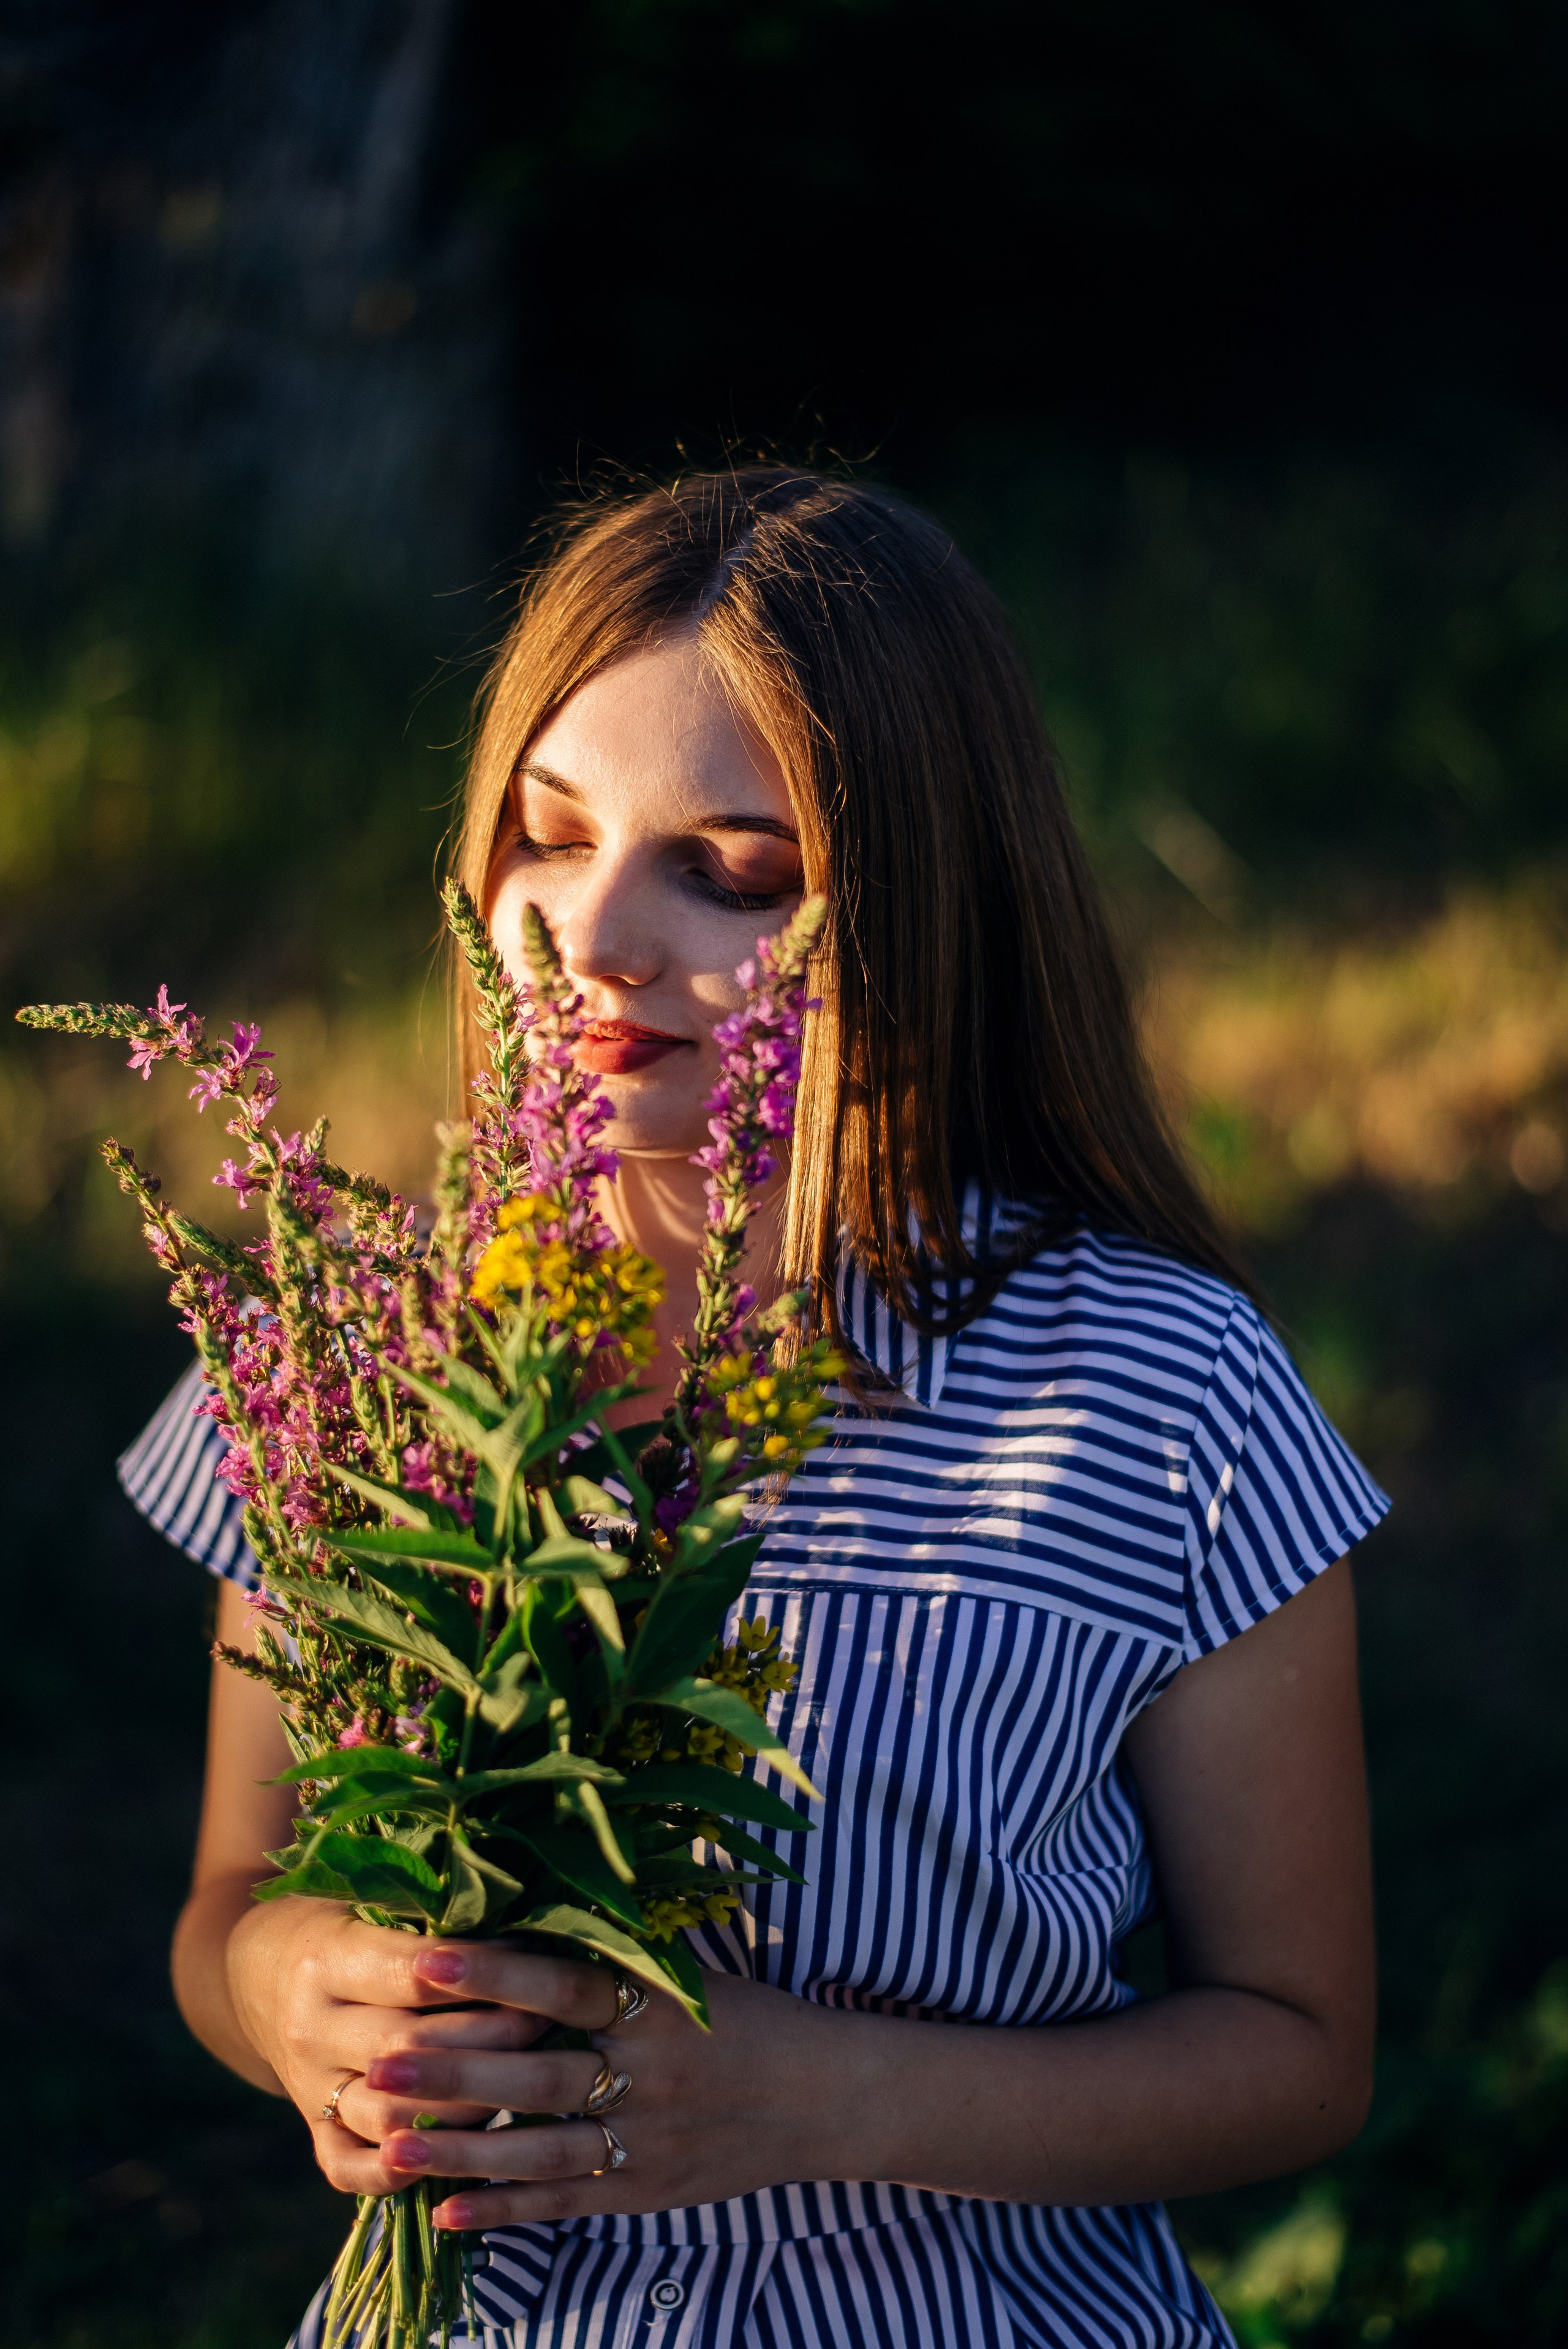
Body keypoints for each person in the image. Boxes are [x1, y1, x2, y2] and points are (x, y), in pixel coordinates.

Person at [122, 467, 1384, 2348]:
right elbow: (236, 1896)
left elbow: (1298, 2049)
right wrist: (297, 1981)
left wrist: (825, 2096)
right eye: (548, 837)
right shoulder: (353, 1365)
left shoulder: (1156, 1390)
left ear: (927, 900)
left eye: (733, 870)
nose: (594, 933)